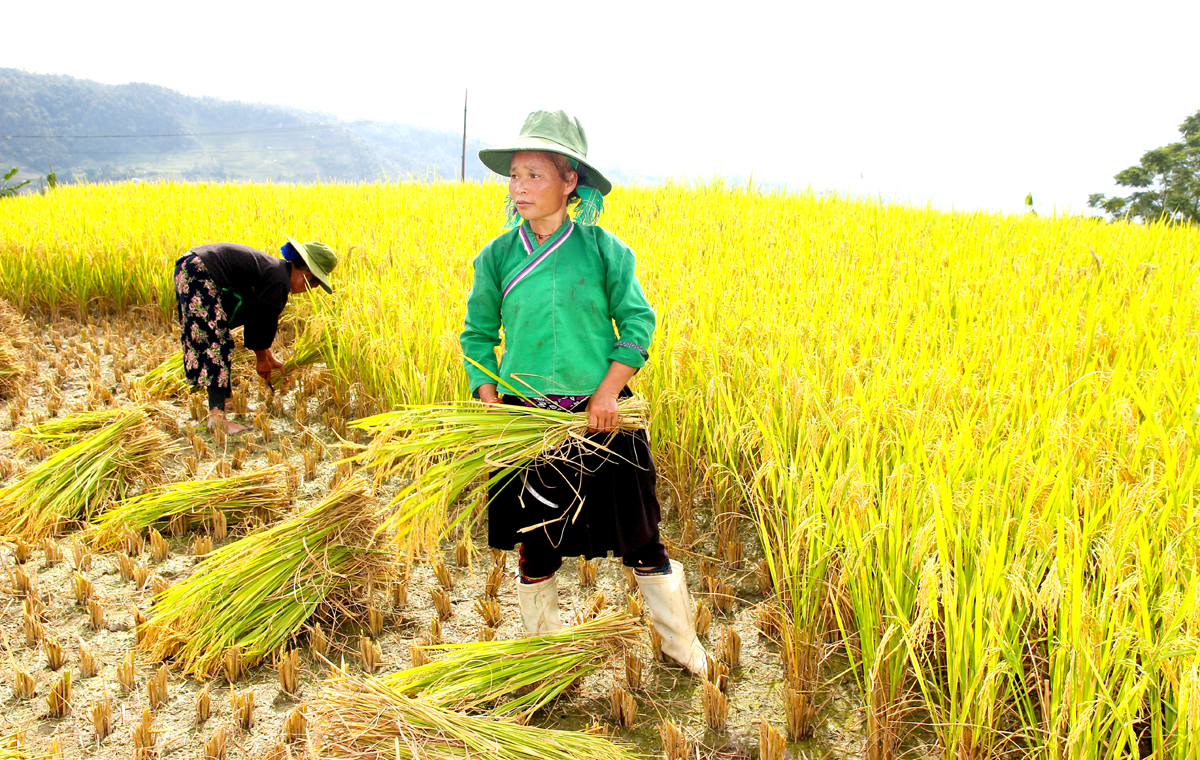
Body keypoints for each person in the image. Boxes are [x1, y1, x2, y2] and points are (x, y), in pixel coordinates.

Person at [460, 110, 707, 675]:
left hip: (603, 418)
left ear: (570, 181)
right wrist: (487, 392)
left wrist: (608, 394)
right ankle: (543, 655)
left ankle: (682, 646)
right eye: (514, 176)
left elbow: (637, 325)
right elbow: (476, 334)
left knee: (642, 538)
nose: (519, 187)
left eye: (534, 175)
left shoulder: (604, 252)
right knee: (537, 543)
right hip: (529, 422)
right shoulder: (497, 257)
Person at [174, 237, 336, 434]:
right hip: (200, 271)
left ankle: (226, 401)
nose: (308, 291)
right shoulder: (278, 281)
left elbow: (255, 316)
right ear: (306, 276)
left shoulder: (274, 272)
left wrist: (269, 357)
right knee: (216, 343)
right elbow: (262, 322)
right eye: (315, 285)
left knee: (219, 336)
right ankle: (217, 418)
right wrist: (262, 361)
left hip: (192, 267)